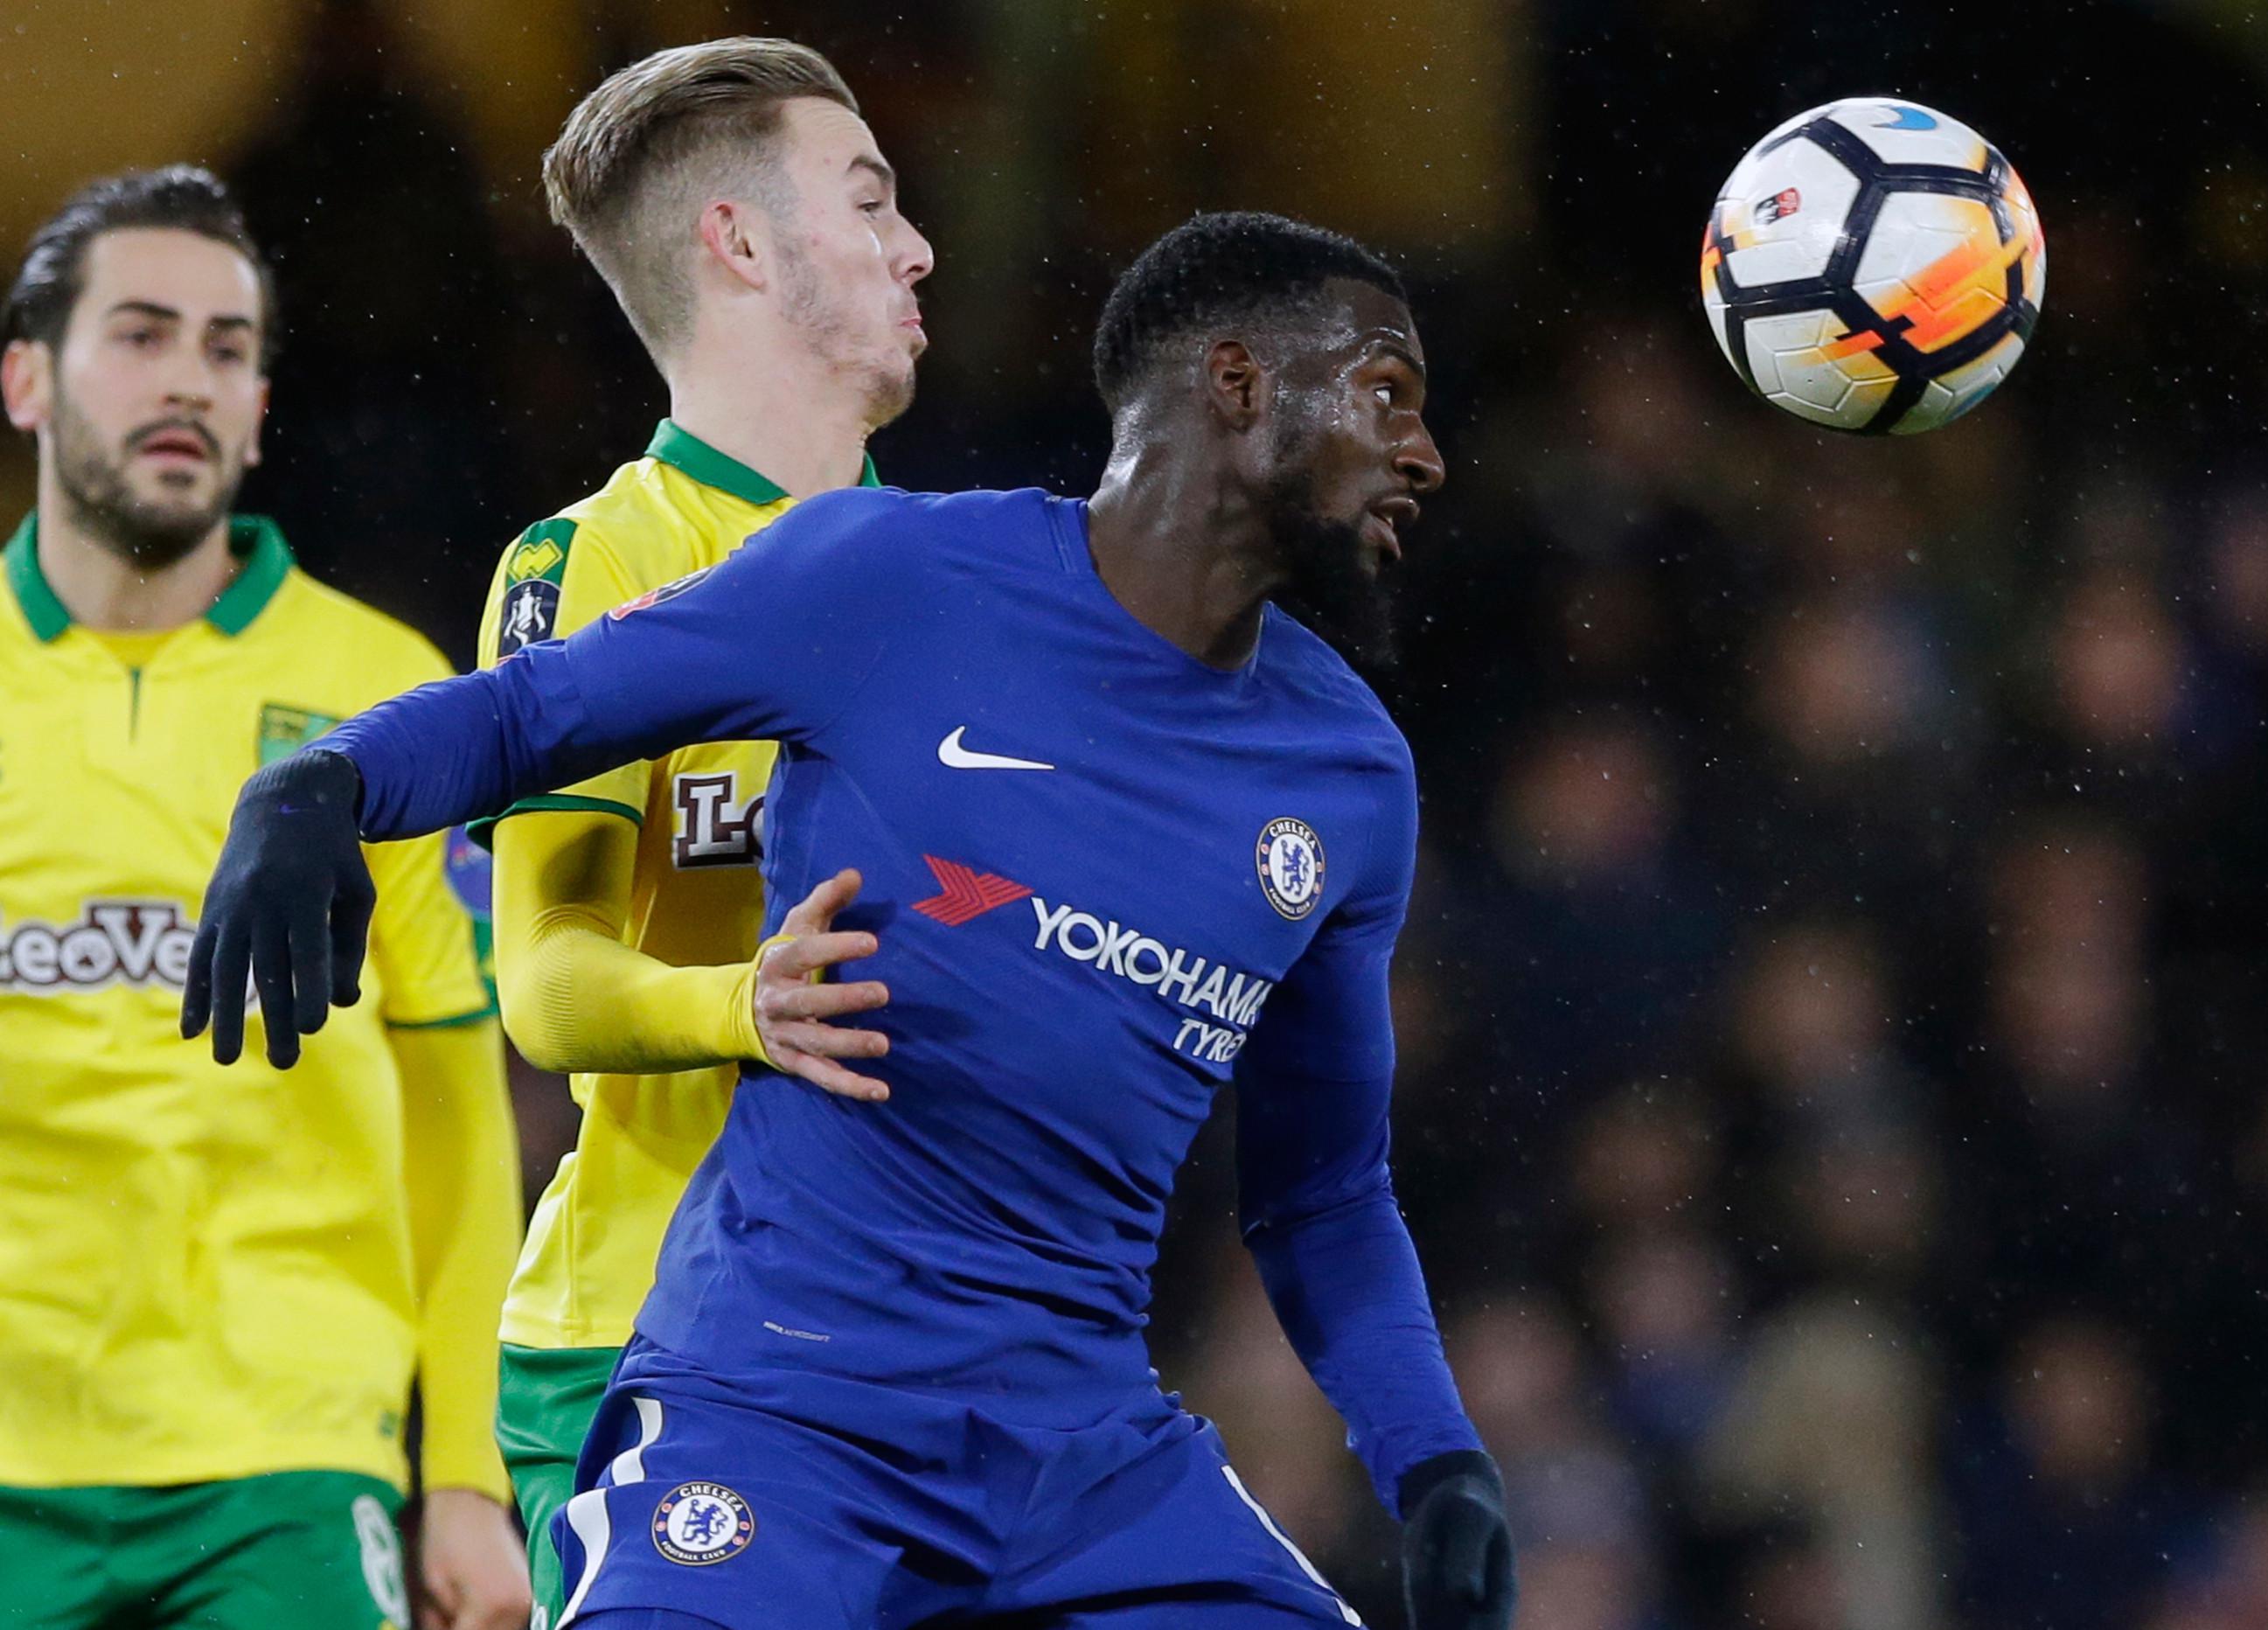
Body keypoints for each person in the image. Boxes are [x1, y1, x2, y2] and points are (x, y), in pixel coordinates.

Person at [184, 211, 1516, 1630]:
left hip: (1082, 1463)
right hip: (780, 1412)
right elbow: (529, 712)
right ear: (1238, 384)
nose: (1424, 455)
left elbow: (1322, 1194)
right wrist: (319, 784)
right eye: (1387, 393)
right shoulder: (889, 580)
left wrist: (1437, 1464)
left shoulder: (1348, 776)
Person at [0, 167, 530, 1630]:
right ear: (26, 380)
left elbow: (458, 1118)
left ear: (259, 409)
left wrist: (467, 1473)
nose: (190, 379)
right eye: (142, 334)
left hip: (286, 1461)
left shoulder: (382, 698)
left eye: (227, 350)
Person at [468, 40, 933, 1625]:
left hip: (936, 1346)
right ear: (738, 243)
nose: (916, 247)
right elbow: (545, 980)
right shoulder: (596, 568)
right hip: (661, 1337)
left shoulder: (970, 577)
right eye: (868, 202)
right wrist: (749, 1007)